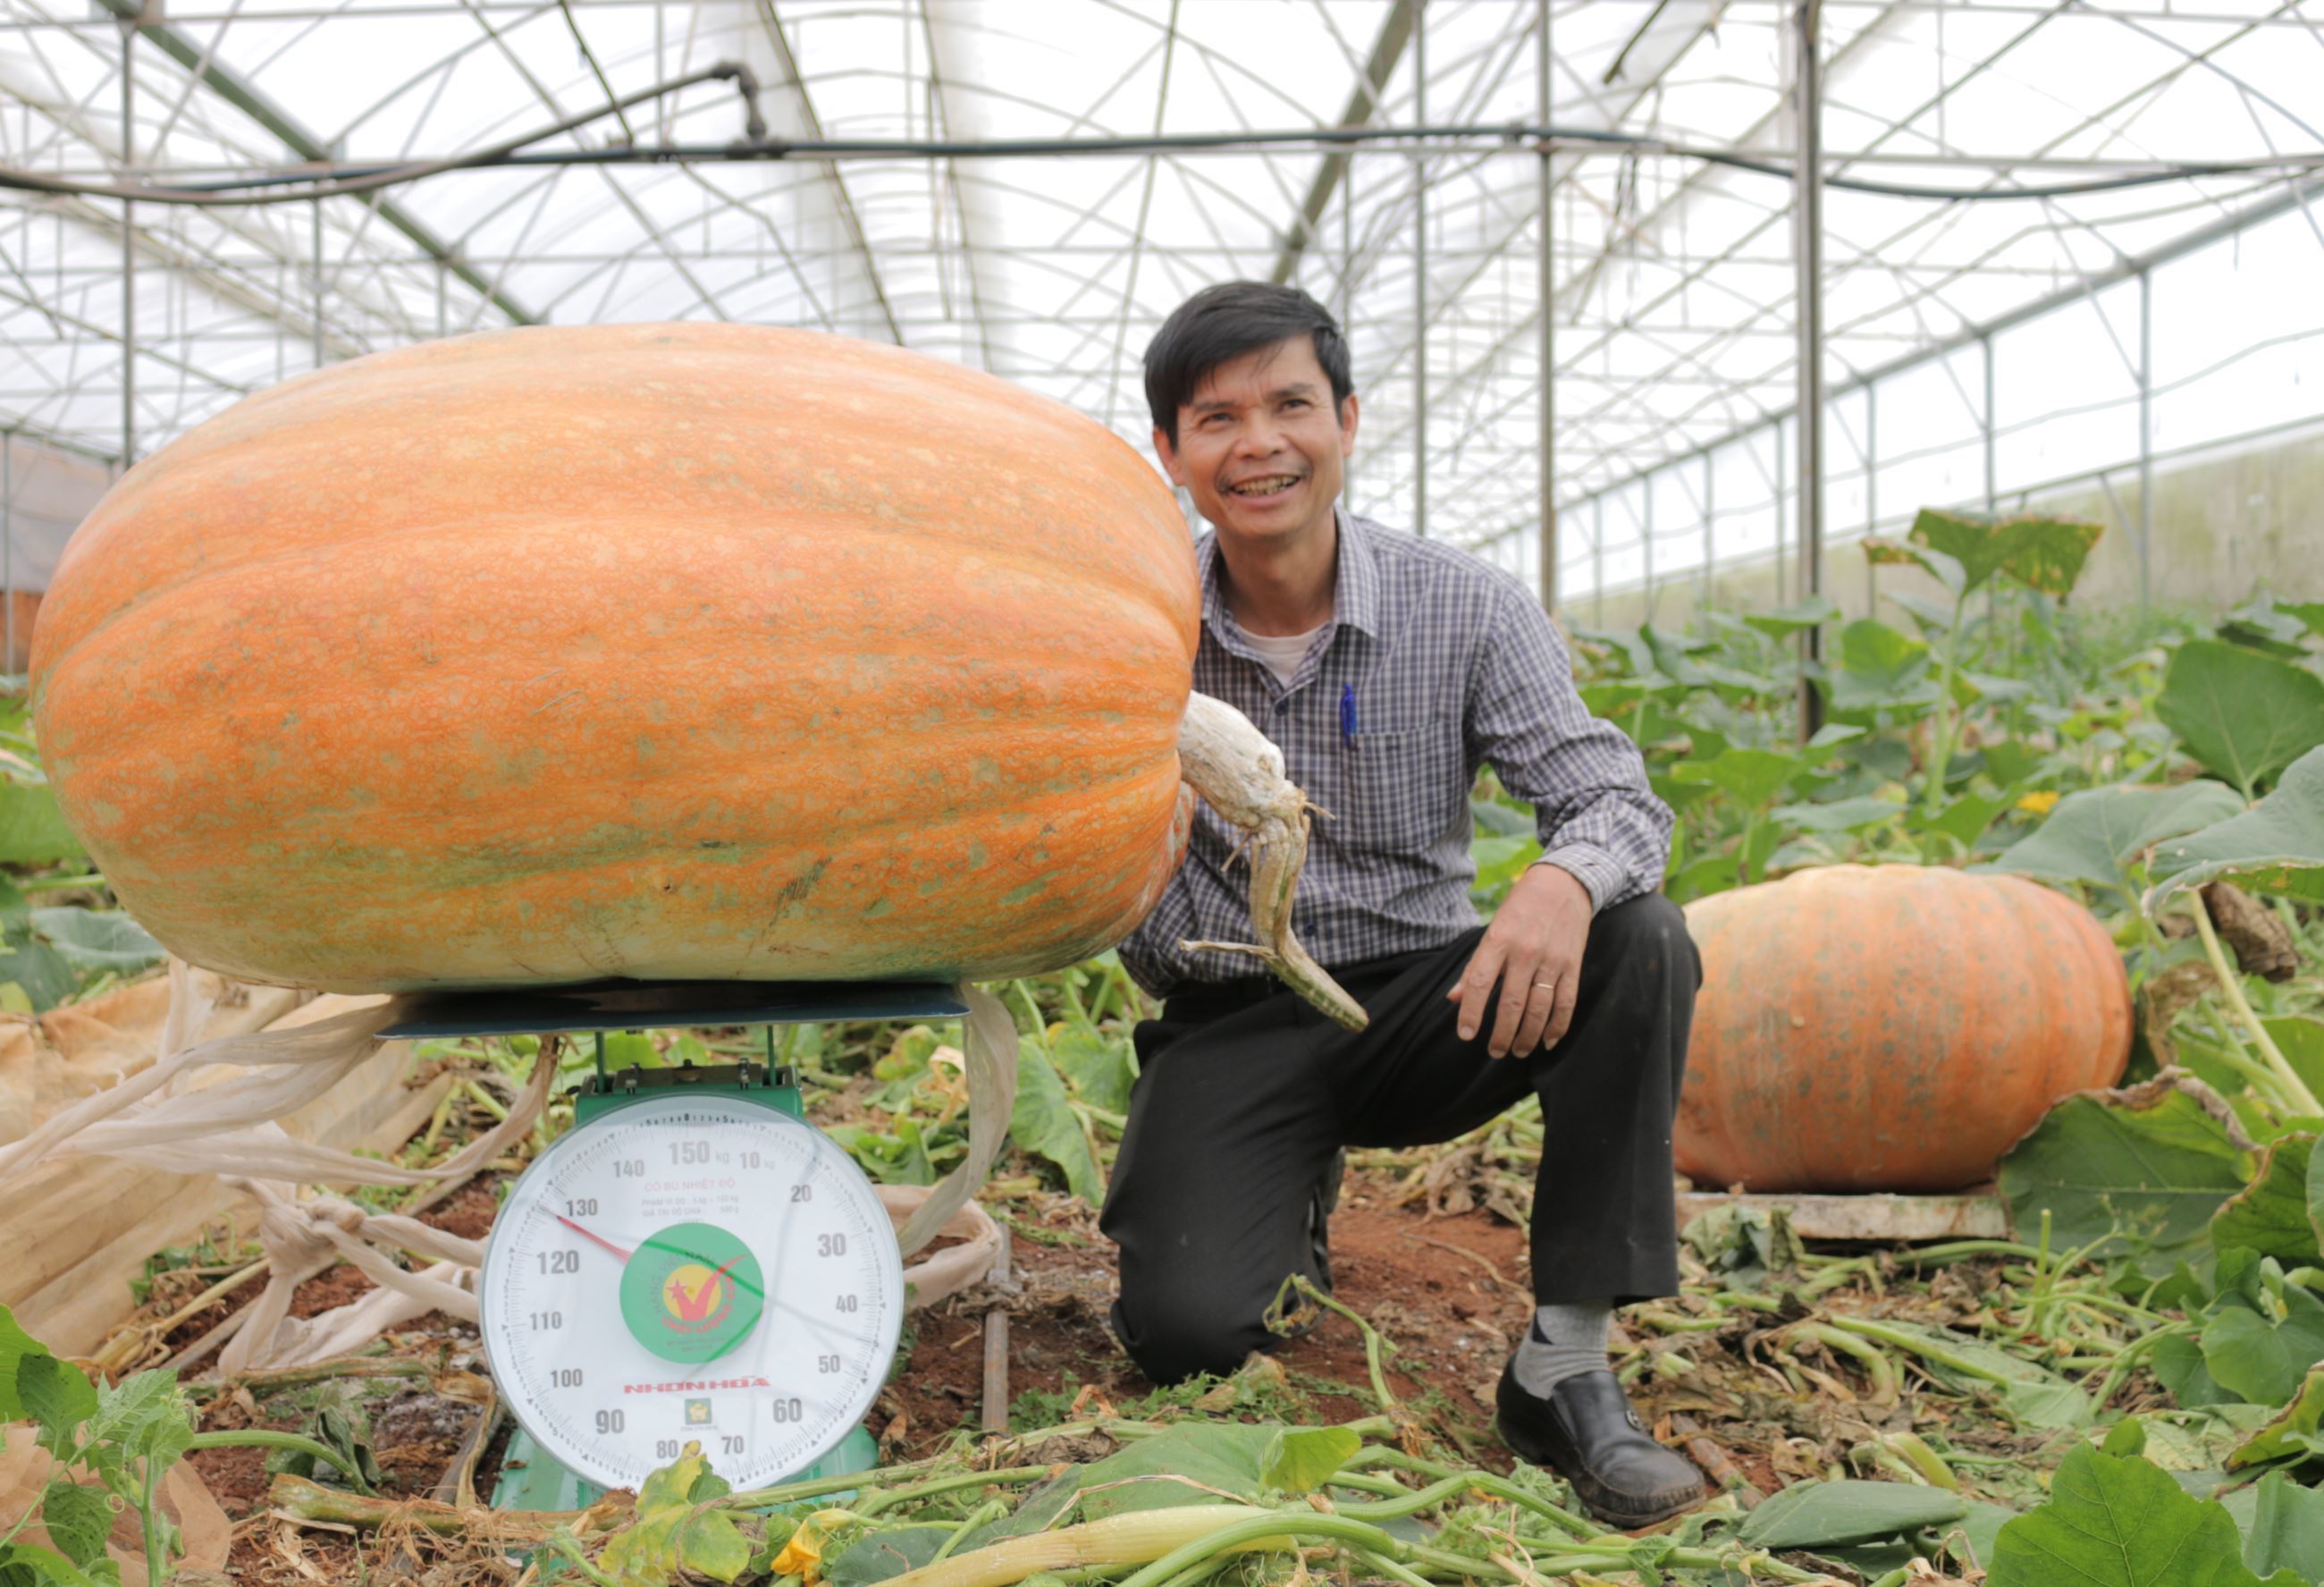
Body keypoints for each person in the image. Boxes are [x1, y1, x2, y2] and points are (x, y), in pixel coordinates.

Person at [1107, 282, 1705, 1529]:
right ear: (1170, 453)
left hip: (1436, 1003)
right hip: (1234, 1016)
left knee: (1638, 934)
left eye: (1289, 405)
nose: (1258, 444)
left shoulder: (1465, 604)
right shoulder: (1131, 623)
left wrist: (1559, 878)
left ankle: (1567, 1363)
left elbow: (1618, 802)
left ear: (1347, 420)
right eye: (1216, 419)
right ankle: (1279, 1191)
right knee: (1187, 1336)